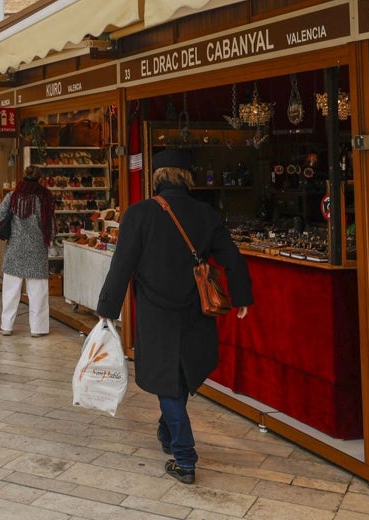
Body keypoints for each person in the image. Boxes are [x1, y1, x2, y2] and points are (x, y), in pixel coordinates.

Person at [95, 150, 253, 486]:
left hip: (156, 313)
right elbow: (233, 259)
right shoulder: (205, 214)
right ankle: (168, 433)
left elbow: (121, 264)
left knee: (167, 380)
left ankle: (184, 458)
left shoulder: (139, 214)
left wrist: (107, 308)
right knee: (178, 376)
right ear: (187, 178)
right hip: (196, 310)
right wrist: (241, 297)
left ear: (157, 177)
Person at [0, 165, 55, 336]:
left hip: (15, 248)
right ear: (40, 179)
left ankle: (7, 326)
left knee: (10, 291)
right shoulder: (44, 197)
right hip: (37, 248)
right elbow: (49, 224)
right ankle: (38, 329)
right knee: (38, 292)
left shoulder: (13, 196)